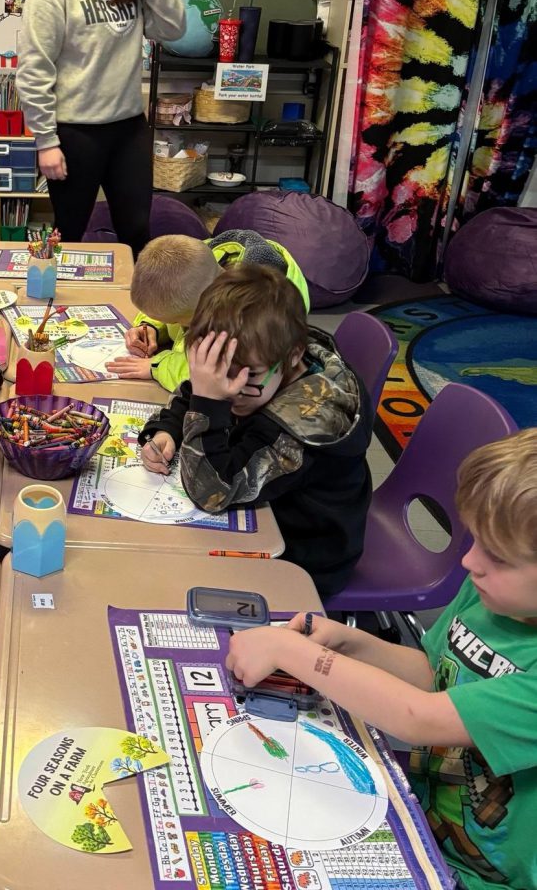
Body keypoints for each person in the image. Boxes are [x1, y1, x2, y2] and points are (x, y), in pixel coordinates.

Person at [226, 428, 537, 890]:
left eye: (499, 556)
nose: (470, 562)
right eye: (475, 540)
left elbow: (420, 718)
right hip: (427, 821)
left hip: (490, 877)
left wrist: (292, 652)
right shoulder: (493, 595)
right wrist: (347, 644)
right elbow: (435, 675)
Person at [139, 265, 371, 596]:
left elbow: (213, 490)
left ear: (292, 357)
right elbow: (194, 392)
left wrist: (209, 403)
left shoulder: (304, 423)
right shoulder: (263, 359)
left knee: (167, 583)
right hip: (265, 518)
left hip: (303, 558)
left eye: (248, 377)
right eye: (217, 371)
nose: (231, 388)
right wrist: (168, 431)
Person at [16, 0, 185, 255]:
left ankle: (138, 311)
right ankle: (60, 309)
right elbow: (34, 68)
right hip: (76, 133)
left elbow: (173, 29)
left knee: (137, 229)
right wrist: (46, 141)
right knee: (71, 232)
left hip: (127, 129)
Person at [110, 231, 311, 389]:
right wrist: (150, 326)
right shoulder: (204, 261)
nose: (170, 324)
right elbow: (171, 293)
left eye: (173, 321)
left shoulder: (252, 321)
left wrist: (157, 367)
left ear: (205, 311)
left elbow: (210, 376)